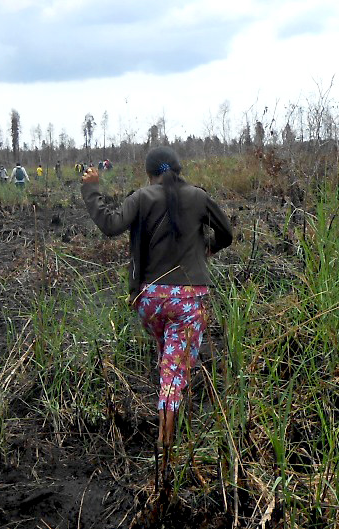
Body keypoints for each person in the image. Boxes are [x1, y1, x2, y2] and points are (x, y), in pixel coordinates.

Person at [80, 146, 232, 470]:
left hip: (149, 301)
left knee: (170, 360)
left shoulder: (141, 196)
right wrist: (206, 249)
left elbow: (110, 223)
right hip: (190, 300)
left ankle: (171, 411)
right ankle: (165, 449)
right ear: (179, 168)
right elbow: (227, 234)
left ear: (148, 173)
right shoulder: (199, 196)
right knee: (174, 370)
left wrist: (92, 188)